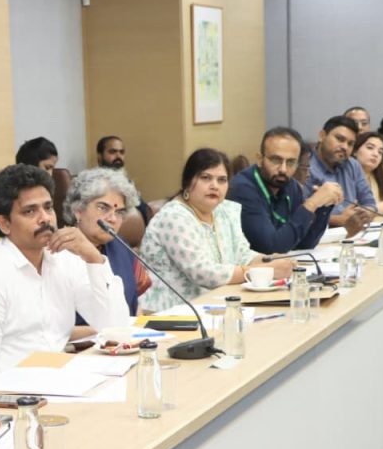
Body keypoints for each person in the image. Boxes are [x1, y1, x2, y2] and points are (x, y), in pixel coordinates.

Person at [0, 164, 130, 384]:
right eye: (30, 211)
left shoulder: (65, 260)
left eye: (48, 208)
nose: (45, 218)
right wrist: (55, 379)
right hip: (6, 393)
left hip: (58, 381)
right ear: (4, 224)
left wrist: (94, 258)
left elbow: (115, 327)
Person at [139, 148, 293, 312]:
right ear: (187, 183)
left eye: (222, 180)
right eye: (206, 178)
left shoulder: (224, 211)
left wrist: (270, 261)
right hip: (168, 313)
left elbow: (241, 254)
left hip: (212, 304)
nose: (214, 186)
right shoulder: (173, 217)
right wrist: (264, 271)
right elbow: (203, 272)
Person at [227, 127, 343, 254]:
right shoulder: (243, 189)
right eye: (276, 160)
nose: (283, 169)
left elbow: (304, 243)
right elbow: (272, 248)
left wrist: (323, 205)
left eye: (291, 162)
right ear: (260, 159)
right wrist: (311, 203)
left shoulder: (290, 186)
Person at [63, 167, 148, 317]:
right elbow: (51, 325)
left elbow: (137, 305)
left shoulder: (122, 247)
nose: (113, 219)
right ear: (78, 210)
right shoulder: (59, 252)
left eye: (119, 212)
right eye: (103, 208)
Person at [305, 115, 376, 232]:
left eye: (350, 144)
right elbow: (298, 214)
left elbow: (370, 204)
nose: (345, 147)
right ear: (322, 136)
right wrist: (338, 220)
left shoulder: (353, 165)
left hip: (352, 234)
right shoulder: (305, 167)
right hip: (316, 236)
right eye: (340, 139)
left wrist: (363, 215)